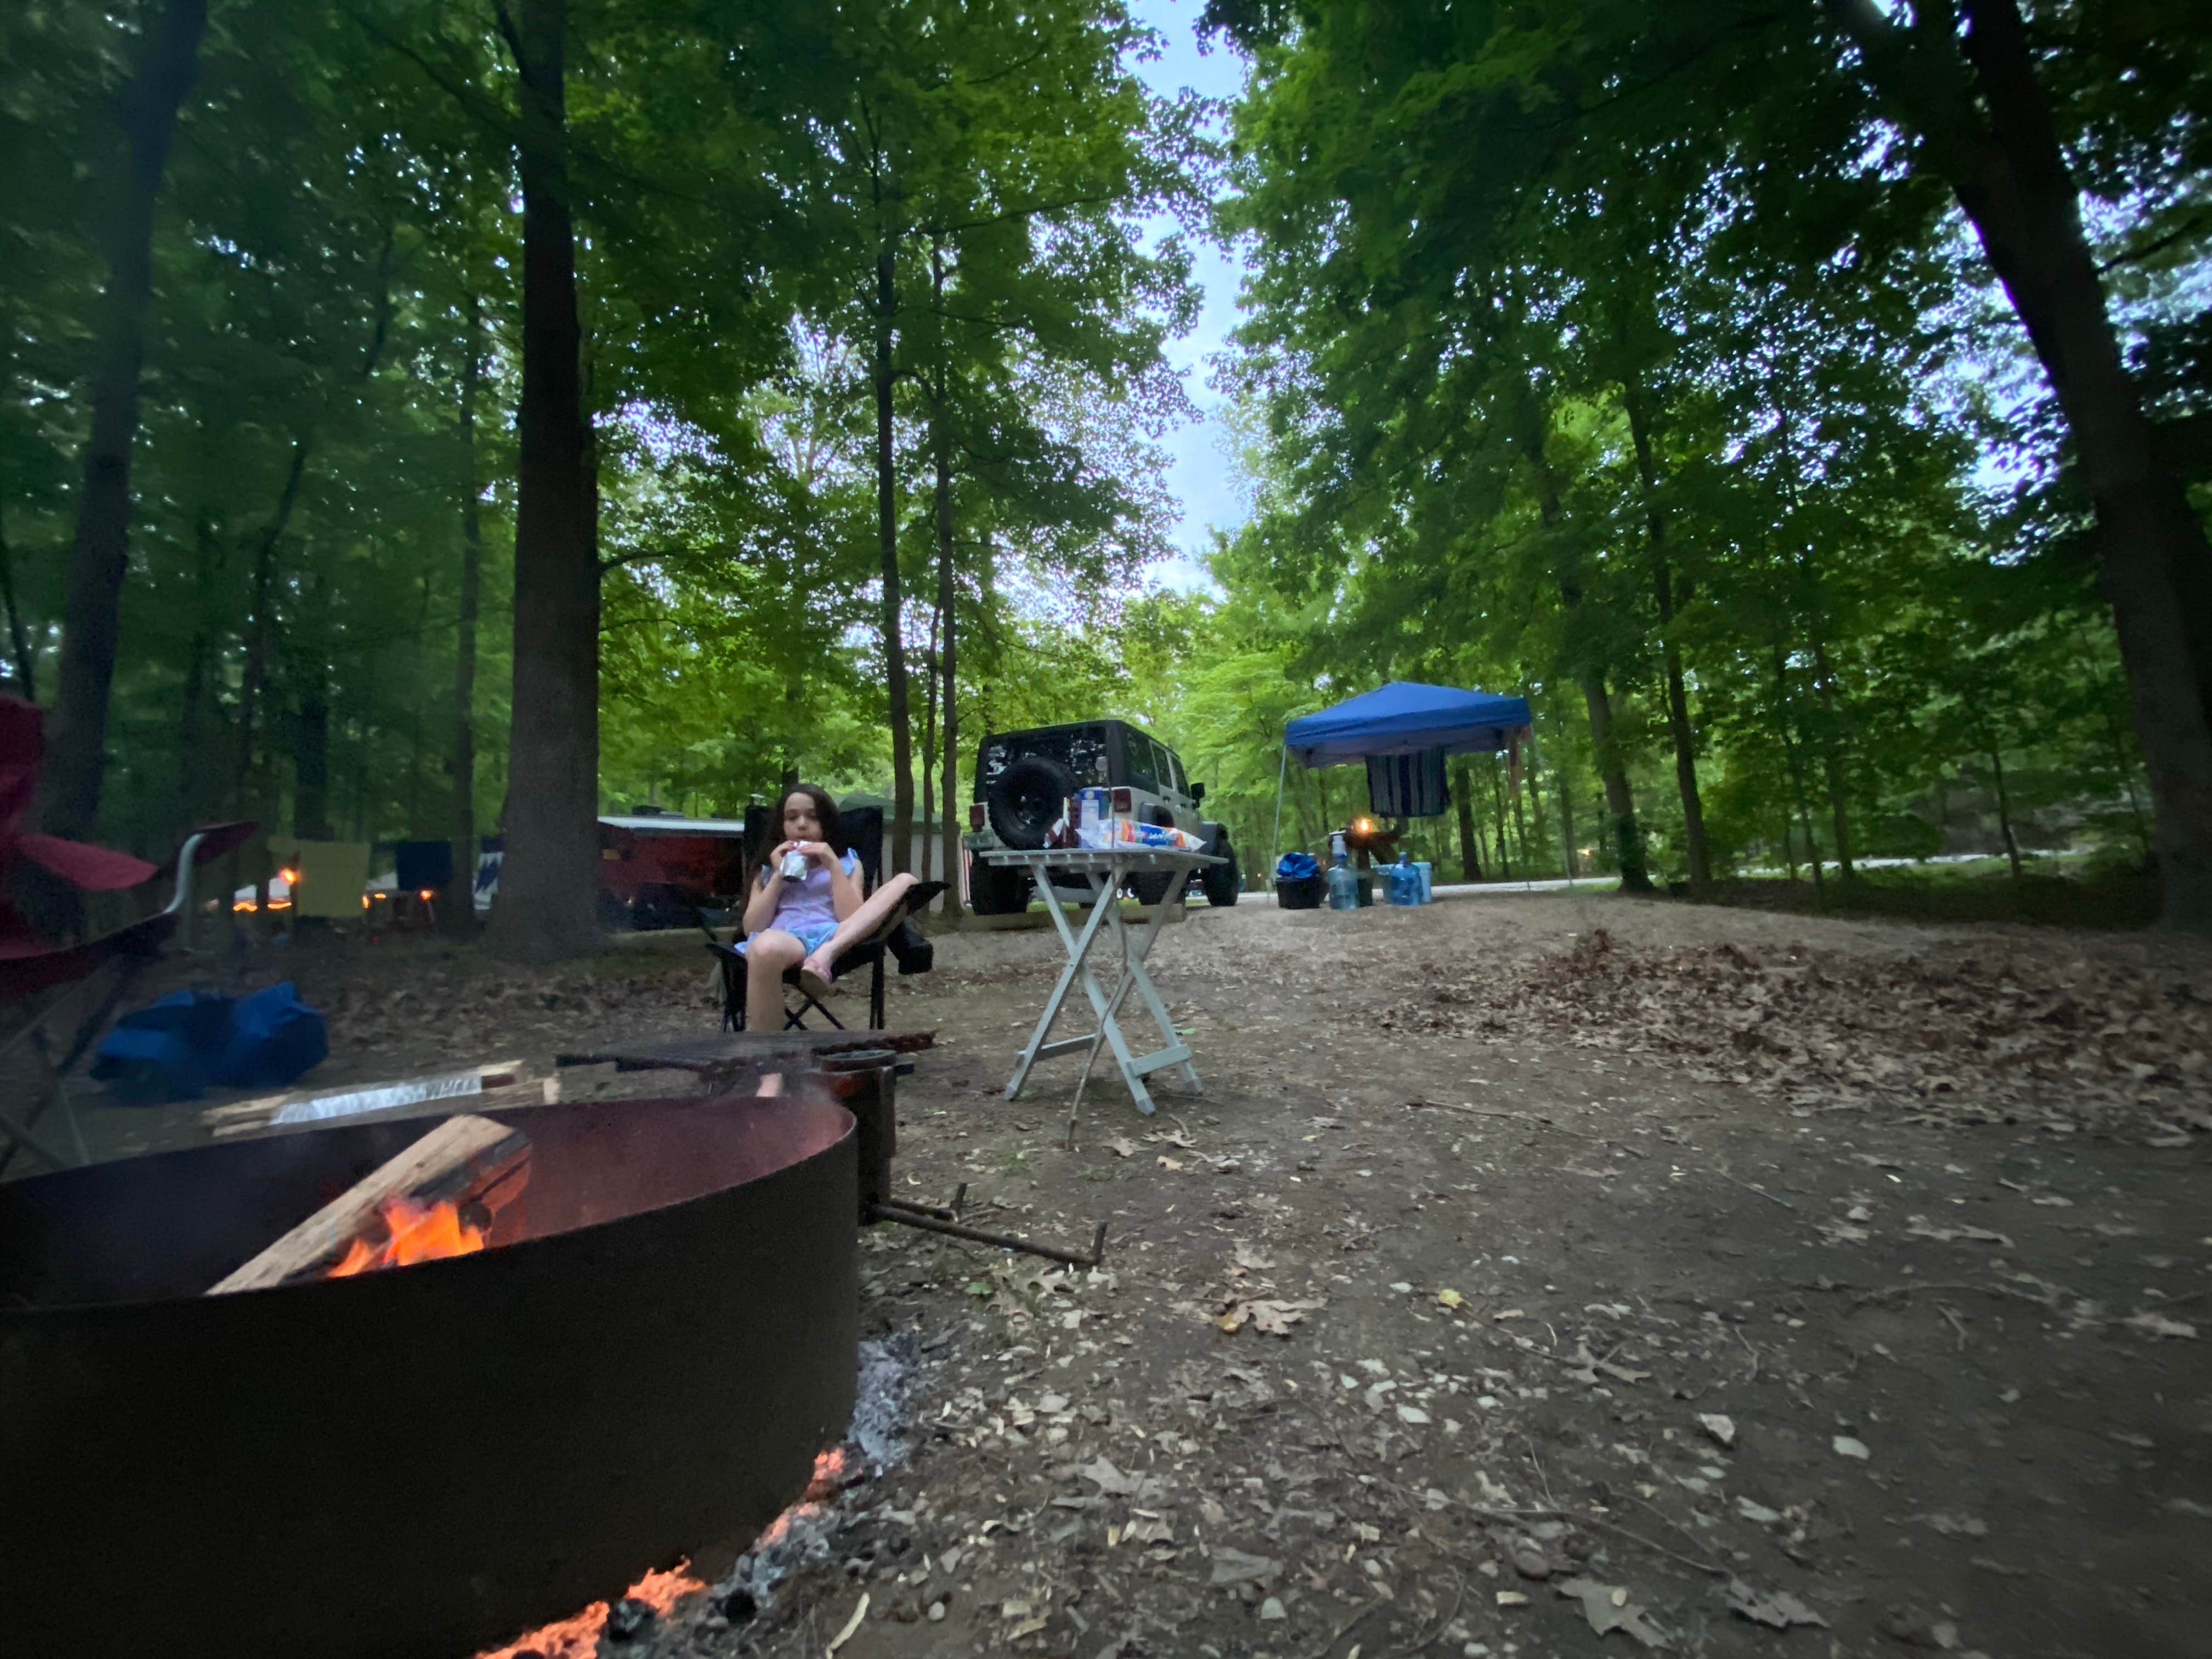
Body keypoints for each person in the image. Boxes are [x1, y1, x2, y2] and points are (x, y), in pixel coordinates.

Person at [738, 785, 917, 1032]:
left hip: (837, 934)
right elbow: (753, 929)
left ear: (827, 823)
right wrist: (781, 874)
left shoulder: (847, 862)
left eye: (813, 817)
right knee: (762, 948)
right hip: (787, 939)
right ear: (782, 826)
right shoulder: (768, 870)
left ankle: (827, 954)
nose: (802, 824)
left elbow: (852, 917)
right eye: (792, 818)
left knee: (907, 881)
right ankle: (769, 1063)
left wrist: (832, 864)